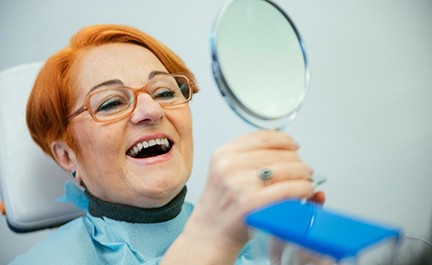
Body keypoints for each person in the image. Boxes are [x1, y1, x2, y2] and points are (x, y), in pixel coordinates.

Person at [10, 24, 324, 264]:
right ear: (67, 157)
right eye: (110, 104)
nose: (151, 110)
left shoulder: (257, 238)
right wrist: (207, 242)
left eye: (164, 92)